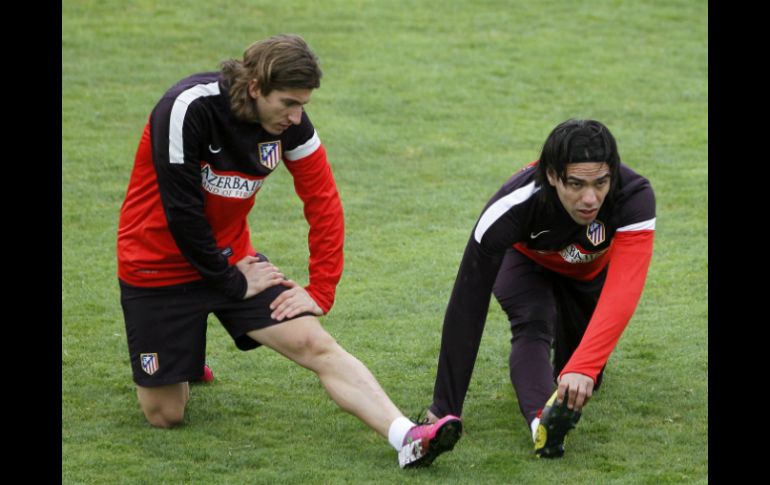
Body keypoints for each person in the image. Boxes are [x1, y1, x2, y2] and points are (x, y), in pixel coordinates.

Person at [116, 34, 461, 468]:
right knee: (166, 416)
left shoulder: (292, 125)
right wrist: (230, 283)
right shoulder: (187, 107)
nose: (297, 116)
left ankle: (408, 438)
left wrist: (321, 289)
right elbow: (181, 212)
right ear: (256, 87)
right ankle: (185, 358)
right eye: (288, 103)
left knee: (313, 343)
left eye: (303, 104)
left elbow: (324, 202)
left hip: (232, 262)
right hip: (157, 270)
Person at [424, 119, 655, 458]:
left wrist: (585, 366)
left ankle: (565, 379)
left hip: (586, 276)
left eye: (601, 182)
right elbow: (466, 307)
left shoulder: (634, 195)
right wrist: (444, 407)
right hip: (524, 264)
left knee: (577, 379)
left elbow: (623, 290)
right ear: (551, 175)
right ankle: (541, 425)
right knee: (534, 321)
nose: (590, 198)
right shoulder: (510, 208)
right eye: (575, 184)